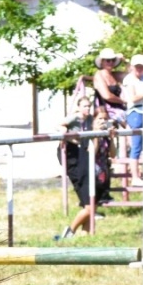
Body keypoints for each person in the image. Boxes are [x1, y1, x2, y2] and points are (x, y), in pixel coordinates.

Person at [58, 95, 110, 238]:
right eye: (100, 119)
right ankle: (69, 231)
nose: (103, 122)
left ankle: (86, 234)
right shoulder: (85, 128)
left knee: (93, 205)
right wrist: (69, 135)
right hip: (86, 170)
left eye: (105, 119)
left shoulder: (95, 127)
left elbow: (112, 153)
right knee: (89, 206)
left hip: (100, 172)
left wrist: (110, 137)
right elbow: (91, 150)